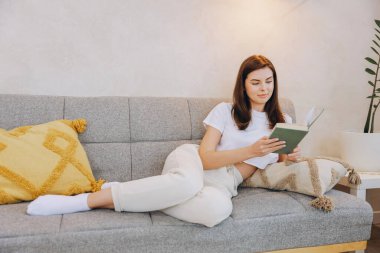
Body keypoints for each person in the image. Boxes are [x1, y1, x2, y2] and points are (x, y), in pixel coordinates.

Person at [27, 55, 301, 228]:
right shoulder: (225, 110)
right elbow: (206, 158)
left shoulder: (282, 119)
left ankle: (133, 192)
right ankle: (86, 201)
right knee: (187, 183)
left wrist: (288, 156)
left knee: (217, 211)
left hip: (225, 183)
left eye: (269, 81)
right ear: (243, 85)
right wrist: (251, 150)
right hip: (193, 162)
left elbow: (272, 158)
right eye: (256, 82)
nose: (264, 88)